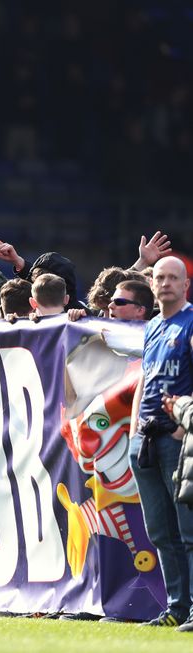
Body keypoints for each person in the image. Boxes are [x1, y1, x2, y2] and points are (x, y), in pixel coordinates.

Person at [128, 256, 193, 629]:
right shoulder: (153, 326)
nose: (165, 283)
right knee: (159, 531)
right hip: (146, 438)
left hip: (177, 438)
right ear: (151, 285)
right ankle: (176, 607)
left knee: (188, 530)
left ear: (185, 285)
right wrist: (134, 426)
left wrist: (185, 428)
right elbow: (144, 380)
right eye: (159, 277)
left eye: (173, 278)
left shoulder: (190, 321)